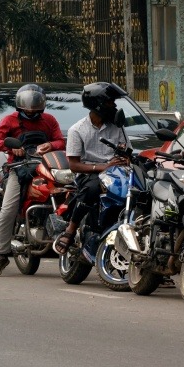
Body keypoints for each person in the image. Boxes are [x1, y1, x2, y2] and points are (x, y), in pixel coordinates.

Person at [0, 84, 66, 277]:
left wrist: (50, 144)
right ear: (20, 107)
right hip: (19, 169)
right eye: (27, 109)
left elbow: (61, 141)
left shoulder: (49, 120)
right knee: (8, 210)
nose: (30, 112)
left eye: (34, 109)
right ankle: (1, 255)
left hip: (45, 167)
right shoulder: (9, 120)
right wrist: (11, 148)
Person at [53, 82, 130, 263]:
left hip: (116, 173)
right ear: (99, 104)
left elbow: (127, 152)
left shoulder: (117, 127)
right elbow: (74, 165)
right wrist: (102, 167)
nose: (115, 106)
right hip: (89, 174)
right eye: (111, 102)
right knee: (93, 188)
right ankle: (71, 229)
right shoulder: (77, 130)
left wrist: (125, 158)